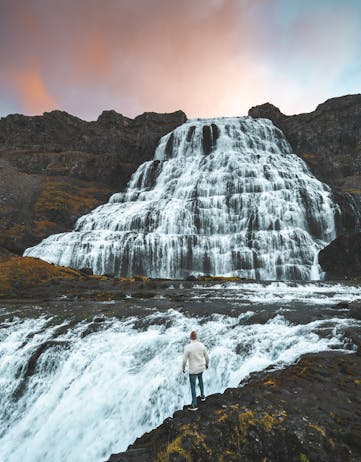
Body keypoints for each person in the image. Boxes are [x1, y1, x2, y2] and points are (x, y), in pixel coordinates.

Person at [182, 330, 209, 411]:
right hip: (201, 368)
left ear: (190, 338)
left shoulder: (187, 347)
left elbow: (184, 360)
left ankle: (194, 405)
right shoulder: (201, 345)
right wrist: (206, 364)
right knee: (200, 380)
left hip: (193, 370)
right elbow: (207, 357)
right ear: (196, 337)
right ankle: (203, 396)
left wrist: (183, 368)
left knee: (193, 386)